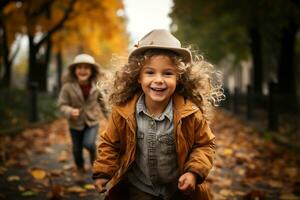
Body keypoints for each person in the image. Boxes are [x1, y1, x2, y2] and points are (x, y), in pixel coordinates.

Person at [92, 29, 224, 200]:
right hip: (139, 189)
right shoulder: (123, 112)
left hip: (178, 190)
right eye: (150, 72)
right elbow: (110, 144)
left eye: (167, 73)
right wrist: (103, 172)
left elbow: (205, 144)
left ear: (178, 78)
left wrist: (193, 172)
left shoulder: (190, 114)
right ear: (138, 77)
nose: (159, 79)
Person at [58, 53, 109, 182]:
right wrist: (69, 111)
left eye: (86, 68)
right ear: (74, 71)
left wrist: (110, 118)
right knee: (76, 149)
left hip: (92, 122)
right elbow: (62, 105)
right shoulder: (67, 88)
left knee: (89, 143)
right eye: (79, 67)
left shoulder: (96, 87)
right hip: (75, 124)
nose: (82, 70)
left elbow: (103, 103)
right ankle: (80, 169)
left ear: (92, 71)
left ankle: (93, 155)